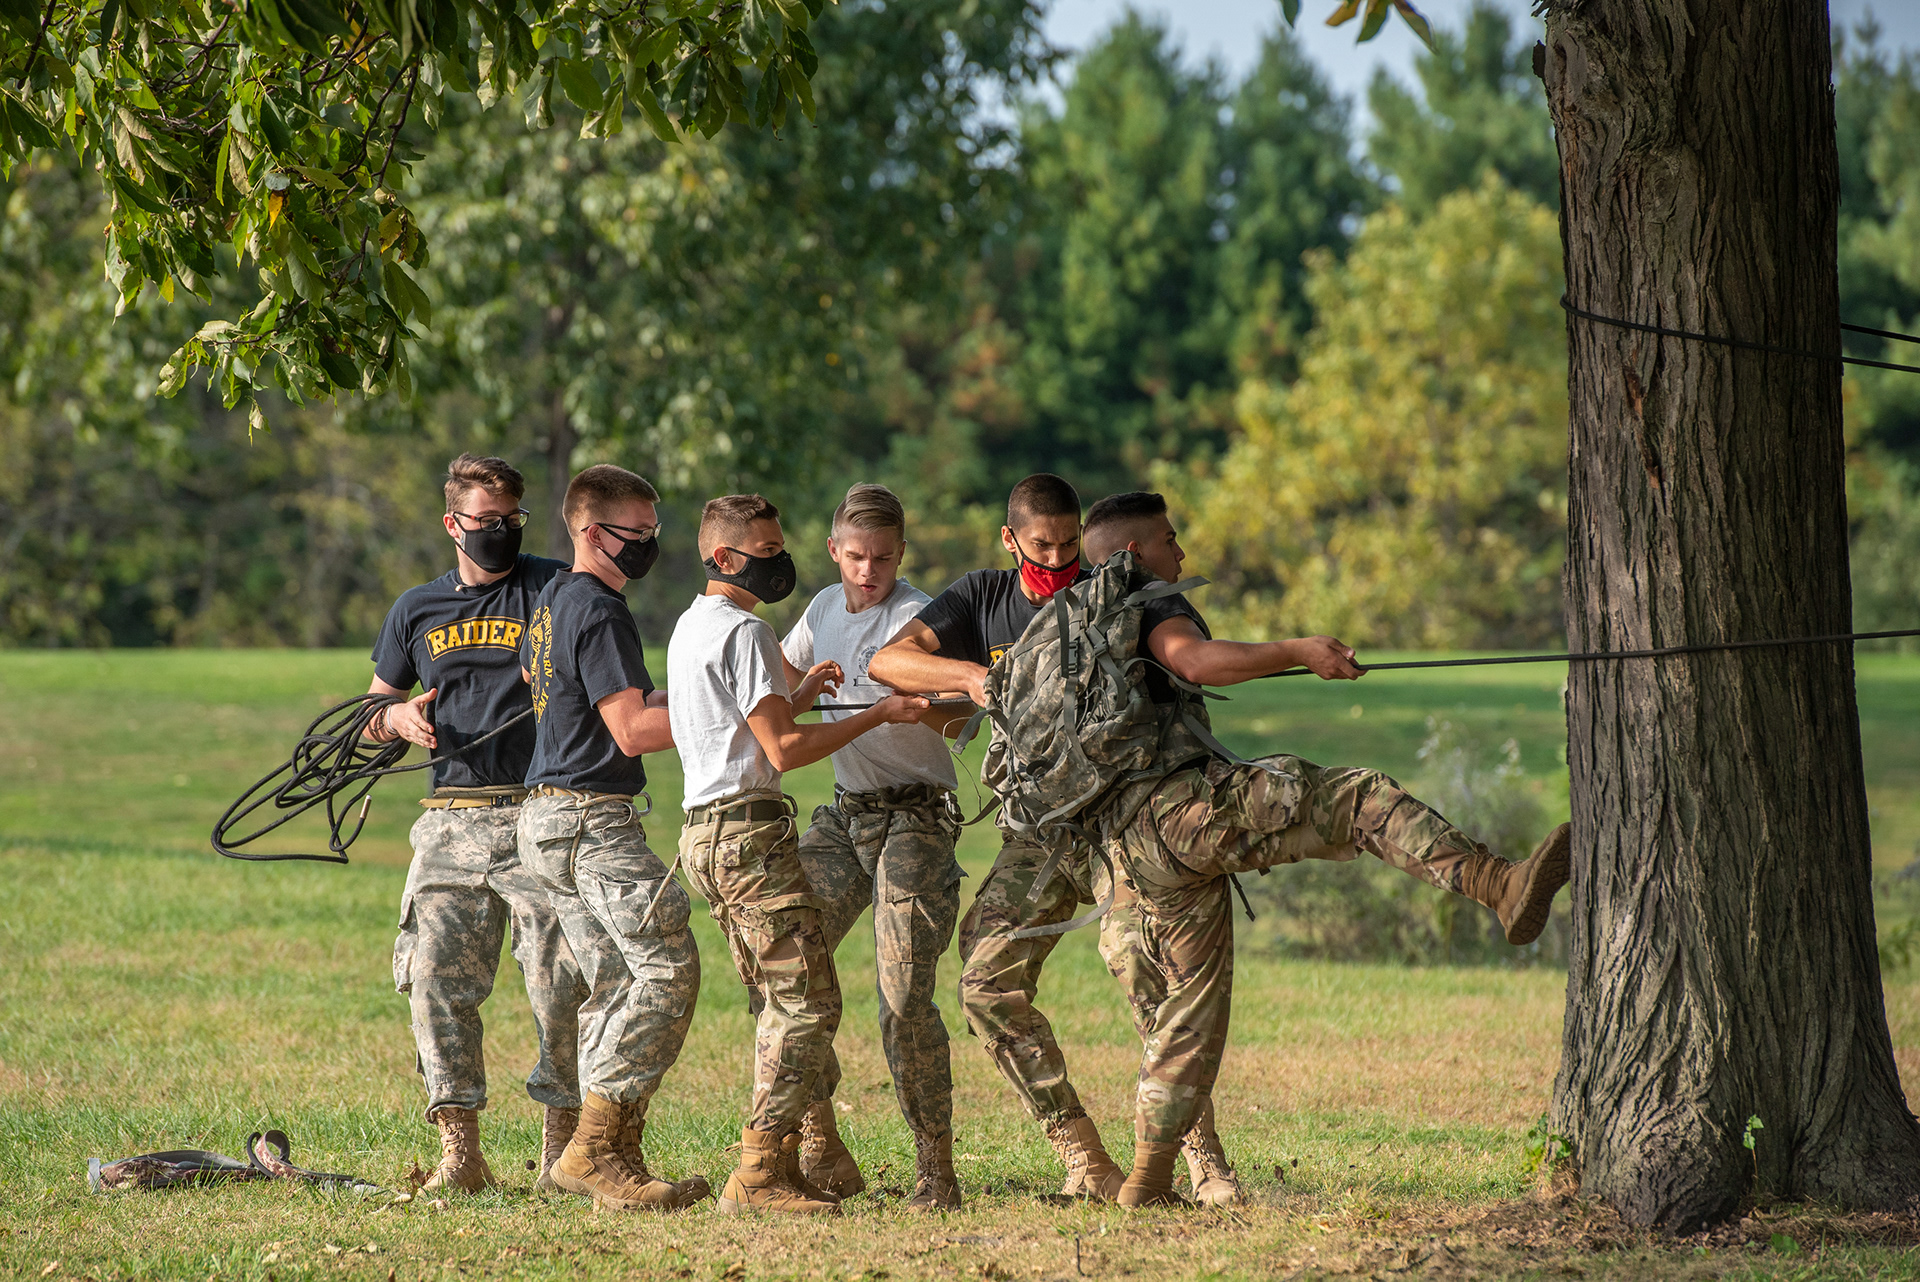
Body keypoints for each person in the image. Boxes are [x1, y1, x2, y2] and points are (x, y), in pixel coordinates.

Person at [1075, 491, 1572, 1206]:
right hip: (1178, 813)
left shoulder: (1069, 625)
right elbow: (1196, 662)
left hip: (1120, 857)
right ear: (1132, 554)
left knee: (1183, 1010)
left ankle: (1148, 1182)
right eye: (1169, 539)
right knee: (1356, 797)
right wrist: (1299, 651)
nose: (1180, 554)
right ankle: (1497, 884)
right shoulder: (1146, 599)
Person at [867, 473, 1211, 1202]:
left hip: (1122, 821)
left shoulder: (1116, 592)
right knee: (986, 985)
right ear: (1010, 538)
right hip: (1042, 831)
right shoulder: (983, 598)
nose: (1056, 561)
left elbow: (1187, 651)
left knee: (1136, 962)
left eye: (1067, 544)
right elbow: (887, 661)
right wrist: (969, 677)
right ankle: (1083, 1158)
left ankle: (1202, 1159)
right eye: (1041, 545)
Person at [667, 493, 931, 1216]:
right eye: (765, 551)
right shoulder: (750, 630)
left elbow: (755, 715)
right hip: (749, 834)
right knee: (807, 1003)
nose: (778, 563)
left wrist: (807, 689)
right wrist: (875, 711)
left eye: (782, 548)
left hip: (704, 833)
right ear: (723, 557)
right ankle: (760, 1172)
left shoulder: (693, 625)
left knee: (787, 993)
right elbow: (781, 747)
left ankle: (799, 1157)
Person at [366, 453, 588, 1195]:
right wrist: (394, 716)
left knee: (561, 981)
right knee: (432, 981)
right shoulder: (415, 610)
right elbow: (371, 711)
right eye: (485, 521)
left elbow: (604, 667)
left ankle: (564, 1150)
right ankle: (460, 1153)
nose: (500, 533)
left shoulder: (554, 587)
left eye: (511, 520)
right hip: (451, 820)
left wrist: (558, 675)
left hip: (541, 812)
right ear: (451, 523)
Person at [515, 464, 708, 1213]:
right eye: (638, 534)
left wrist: (736, 689)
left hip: (550, 819)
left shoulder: (557, 599)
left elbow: (617, 699)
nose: (649, 547)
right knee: (666, 969)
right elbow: (629, 729)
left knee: (616, 985)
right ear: (592, 532)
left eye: (654, 534)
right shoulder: (597, 606)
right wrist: (735, 726)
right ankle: (594, 1148)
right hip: (590, 821)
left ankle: (612, 1163)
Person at [779, 484, 968, 1211]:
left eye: (883, 559)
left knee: (902, 997)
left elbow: (958, 716)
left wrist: (949, 706)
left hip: (915, 819)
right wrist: (804, 684)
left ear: (901, 556)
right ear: (834, 552)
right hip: (845, 815)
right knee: (781, 959)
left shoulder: (918, 618)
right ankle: (820, 1140)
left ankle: (935, 1168)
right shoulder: (824, 606)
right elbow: (789, 680)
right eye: (856, 556)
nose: (868, 571)